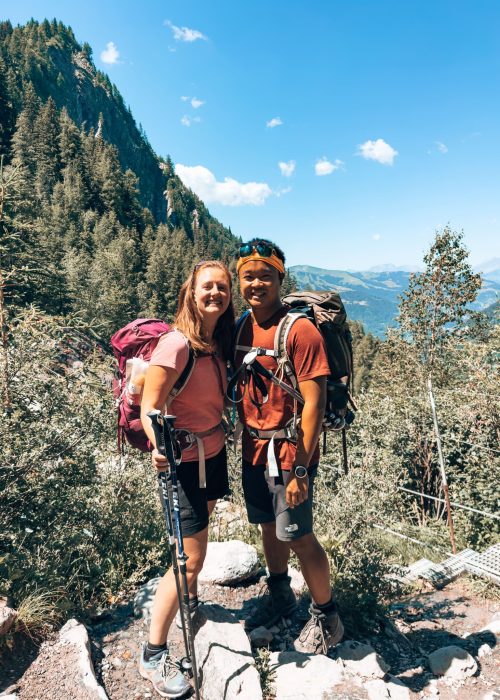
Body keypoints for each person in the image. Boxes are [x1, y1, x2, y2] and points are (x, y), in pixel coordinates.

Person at [234, 239, 344, 654]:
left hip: (289, 455)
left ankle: (327, 617)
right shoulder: (243, 326)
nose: (256, 283)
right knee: (268, 526)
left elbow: (313, 402)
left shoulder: (300, 330)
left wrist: (301, 468)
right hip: (253, 450)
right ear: (239, 279)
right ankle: (281, 596)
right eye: (248, 275)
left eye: (265, 275)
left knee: (300, 536)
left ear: (281, 277)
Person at [139, 260, 234, 698]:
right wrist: (160, 448)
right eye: (207, 287)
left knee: (197, 544)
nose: (215, 293)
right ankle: (153, 653)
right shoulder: (176, 345)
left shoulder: (215, 342)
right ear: (191, 293)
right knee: (187, 559)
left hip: (211, 455)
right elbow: (150, 405)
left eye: (222, 287)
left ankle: (189, 605)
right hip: (181, 461)